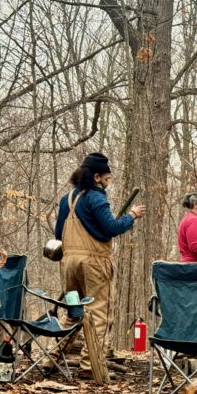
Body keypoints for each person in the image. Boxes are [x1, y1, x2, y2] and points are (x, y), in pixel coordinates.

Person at [55, 152, 146, 374]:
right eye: (107, 178)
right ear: (96, 177)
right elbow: (111, 228)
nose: (108, 182)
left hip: (68, 263)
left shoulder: (67, 200)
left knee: (73, 312)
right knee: (99, 314)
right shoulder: (96, 197)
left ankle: (52, 358)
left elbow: (59, 234)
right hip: (94, 263)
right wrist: (131, 216)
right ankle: (91, 366)